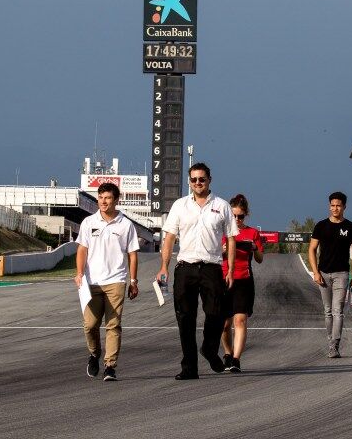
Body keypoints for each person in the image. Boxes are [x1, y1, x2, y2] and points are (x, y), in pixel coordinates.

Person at [156, 163, 238, 380]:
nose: (198, 183)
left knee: (216, 313)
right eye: (193, 180)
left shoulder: (222, 206)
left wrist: (228, 269)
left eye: (202, 179)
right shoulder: (180, 205)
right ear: (189, 182)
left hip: (211, 267)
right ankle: (189, 368)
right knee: (185, 318)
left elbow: (231, 238)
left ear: (209, 180)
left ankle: (209, 349)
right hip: (185, 268)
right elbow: (169, 237)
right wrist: (164, 266)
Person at [75, 182, 140, 381]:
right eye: (101, 197)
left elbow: (132, 254)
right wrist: (79, 273)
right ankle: (94, 353)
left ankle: (110, 366)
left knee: (113, 325)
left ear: (116, 200)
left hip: (116, 281)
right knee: (90, 325)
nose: (103, 201)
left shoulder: (126, 224)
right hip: (91, 282)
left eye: (108, 198)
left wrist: (133, 280)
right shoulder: (88, 222)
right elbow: (82, 250)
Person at [308, 191, 352, 358]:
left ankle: (334, 345)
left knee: (338, 310)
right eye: (332, 205)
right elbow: (312, 249)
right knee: (328, 310)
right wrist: (315, 272)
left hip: (342, 274)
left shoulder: (351, 227)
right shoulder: (321, 226)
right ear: (329, 206)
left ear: (344, 206)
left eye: (338, 205)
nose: (335, 208)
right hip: (323, 273)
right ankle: (330, 340)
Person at [220, 194, 264, 373]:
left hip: (243, 280)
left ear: (246, 215)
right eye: (234, 216)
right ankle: (228, 354)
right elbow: (212, 256)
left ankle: (236, 359)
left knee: (240, 319)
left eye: (241, 216)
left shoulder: (252, 233)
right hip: (223, 279)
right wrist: (222, 250)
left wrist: (254, 248)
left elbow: (260, 259)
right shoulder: (221, 232)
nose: (237, 220)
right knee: (224, 324)